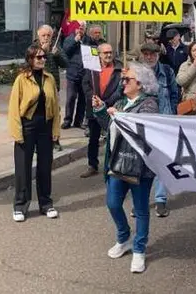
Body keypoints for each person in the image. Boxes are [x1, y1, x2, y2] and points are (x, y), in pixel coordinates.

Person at [93, 64, 159, 273]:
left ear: (140, 84)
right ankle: (124, 237)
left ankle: (139, 249)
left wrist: (120, 115)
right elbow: (108, 126)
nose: (123, 82)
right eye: (123, 79)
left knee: (140, 210)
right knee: (113, 203)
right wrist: (101, 110)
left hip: (140, 167)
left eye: (127, 80)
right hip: (118, 163)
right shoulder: (121, 102)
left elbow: (142, 127)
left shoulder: (150, 104)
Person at [8, 44, 61, 222]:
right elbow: (14, 108)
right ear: (30, 59)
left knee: (45, 166)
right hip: (27, 126)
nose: (42, 60)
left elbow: (55, 106)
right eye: (39, 57)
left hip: (45, 127)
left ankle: (46, 204)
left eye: (44, 57)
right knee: (23, 167)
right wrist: (17, 133)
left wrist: (55, 129)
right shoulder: (22, 79)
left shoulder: (50, 78)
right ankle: (20, 206)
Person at [139, 42, 179, 216]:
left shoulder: (167, 72)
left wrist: (171, 117)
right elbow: (125, 93)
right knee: (143, 163)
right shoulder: (136, 72)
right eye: (146, 54)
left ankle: (160, 199)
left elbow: (174, 95)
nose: (149, 57)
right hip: (143, 123)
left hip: (163, 123)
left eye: (152, 54)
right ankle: (141, 201)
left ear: (157, 55)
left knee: (161, 162)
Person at [80, 43, 123, 180]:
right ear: (99, 54)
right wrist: (92, 97)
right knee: (93, 138)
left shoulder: (119, 68)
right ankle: (92, 165)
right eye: (105, 53)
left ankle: (113, 164)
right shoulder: (91, 68)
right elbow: (85, 84)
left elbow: (121, 89)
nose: (109, 55)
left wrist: (107, 102)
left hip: (111, 108)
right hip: (94, 107)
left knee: (114, 137)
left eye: (110, 52)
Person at [61, 24, 103, 131]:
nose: (80, 30)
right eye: (79, 28)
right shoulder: (70, 38)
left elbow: (95, 50)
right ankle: (67, 120)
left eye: (82, 28)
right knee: (71, 97)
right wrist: (75, 41)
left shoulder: (89, 40)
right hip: (72, 73)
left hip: (85, 74)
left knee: (83, 99)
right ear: (75, 29)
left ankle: (78, 121)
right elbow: (65, 51)